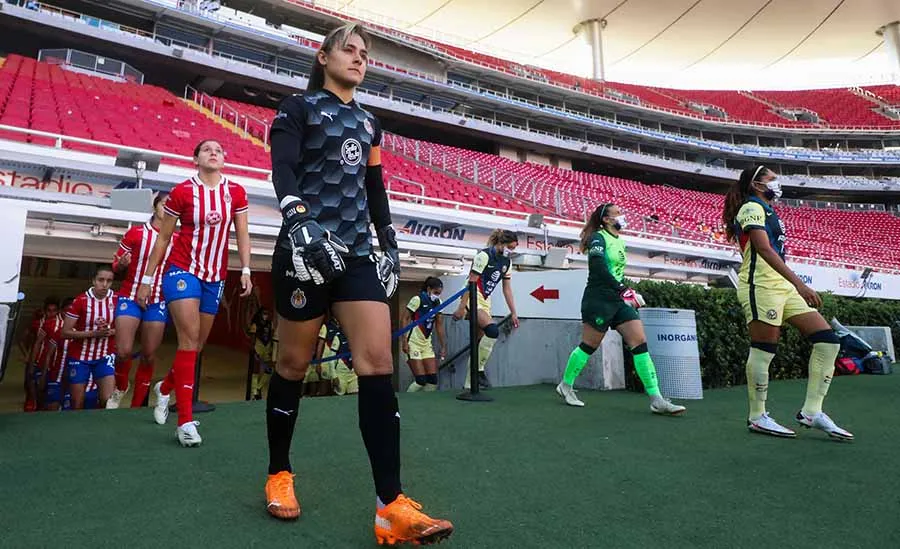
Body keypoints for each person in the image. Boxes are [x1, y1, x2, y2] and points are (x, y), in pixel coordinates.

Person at [265, 22, 453, 545]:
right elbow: (282, 168)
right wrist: (296, 217)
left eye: (364, 53)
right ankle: (279, 474)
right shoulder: (296, 108)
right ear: (323, 57)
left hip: (357, 255)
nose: (358, 58)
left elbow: (373, 184)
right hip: (305, 248)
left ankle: (389, 506)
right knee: (293, 365)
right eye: (348, 50)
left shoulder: (369, 122)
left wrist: (389, 240)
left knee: (378, 364)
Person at [137, 139, 253, 447]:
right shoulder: (182, 192)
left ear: (224, 158)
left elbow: (242, 231)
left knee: (197, 345)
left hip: (214, 277)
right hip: (181, 271)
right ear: (195, 159)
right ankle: (185, 422)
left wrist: (245, 269)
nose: (214, 152)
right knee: (189, 339)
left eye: (219, 149)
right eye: (207, 150)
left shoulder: (236, 192)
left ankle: (164, 388)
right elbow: (163, 238)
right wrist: (147, 277)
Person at [722, 166, 852, 440]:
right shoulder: (750, 208)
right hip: (760, 285)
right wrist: (800, 284)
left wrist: (792, 286)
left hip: (781, 287)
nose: (778, 183)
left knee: (828, 340)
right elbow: (763, 248)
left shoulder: (769, 210)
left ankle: (812, 412)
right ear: (757, 184)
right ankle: (757, 417)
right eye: (772, 179)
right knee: (764, 349)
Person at [555, 204, 686, 416]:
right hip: (598, 299)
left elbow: (615, 273)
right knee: (589, 346)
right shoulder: (598, 238)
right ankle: (565, 385)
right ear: (606, 219)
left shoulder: (619, 240)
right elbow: (598, 268)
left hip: (616, 300)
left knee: (639, 342)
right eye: (617, 213)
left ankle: (656, 399)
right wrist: (624, 290)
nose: (622, 216)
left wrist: (624, 292)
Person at [107, 192, 174, 409]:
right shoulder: (136, 233)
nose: (169, 209)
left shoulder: (178, 238)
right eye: (165, 204)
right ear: (155, 207)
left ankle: (137, 405)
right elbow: (115, 266)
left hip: (157, 301)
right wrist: (122, 264)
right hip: (130, 296)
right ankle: (120, 387)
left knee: (148, 354)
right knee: (123, 351)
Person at [452, 229, 520, 390]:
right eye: (510, 247)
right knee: (492, 330)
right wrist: (461, 308)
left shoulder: (507, 263)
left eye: (514, 248)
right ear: (501, 243)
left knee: (478, 342)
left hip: (485, 299)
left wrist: (514, 312)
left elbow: (507, 289)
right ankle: (479, 370)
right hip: (473, 296)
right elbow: (471, 282)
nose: (512, 251)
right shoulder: (483, 256)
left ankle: (469, 384)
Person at [61, 266, 117, 410]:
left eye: (109, 281)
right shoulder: (80, 301)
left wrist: (113, 331)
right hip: (80, 358)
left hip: (105, 356)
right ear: (93, 281)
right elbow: (65, 332)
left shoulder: (117, 300)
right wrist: (93, 334)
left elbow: (126, 327)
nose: (104, 284)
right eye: (101, 280)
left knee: (108, 401)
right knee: (77, 403)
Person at [401, 277, 446, 392]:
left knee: (432, 379)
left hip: (426, 344)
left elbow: (439, 325)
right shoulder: (417, 299)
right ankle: (407, 399)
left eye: (439, 293)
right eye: (435, 292)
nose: (437, 295)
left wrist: (443, 346)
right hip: (413, 342)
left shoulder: (438, 303)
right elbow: (404, 319)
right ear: (428, 289)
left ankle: (427, 402)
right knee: (420, 379)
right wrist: (404, 341)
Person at [23, 297, 59, 411]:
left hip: (52, 363)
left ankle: (39, 406)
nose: (52, 313)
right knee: (31, 383)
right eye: (49, 310)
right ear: (44, 311)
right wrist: (28, 354)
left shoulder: (60, 324)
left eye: (54, 310)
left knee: (43, 389)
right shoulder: (38, 323)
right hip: (38, 359)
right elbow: (29, 338)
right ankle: (32, 402)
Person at [41, 297, 74, 411]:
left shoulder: (83, 332)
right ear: (62, 312)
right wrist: (44, 376)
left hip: (74, 378)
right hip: (56, 376)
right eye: (66, 311)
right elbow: (48, 354)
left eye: (72, 312)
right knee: (51, 409)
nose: (69, 314)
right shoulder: (58, 332)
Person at [248, 308, 275, 400]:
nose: (266, 315)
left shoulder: (270, 324)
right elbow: (252, 338)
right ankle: (254, 392)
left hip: (267, 347)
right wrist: (253, 351)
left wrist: (271, 348)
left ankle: (259, 387)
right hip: (258, 346)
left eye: (267, 313)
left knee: (269, 369)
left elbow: (271, 336)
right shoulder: (255, 324)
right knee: (255, 370)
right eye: (264, 313)